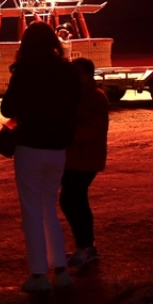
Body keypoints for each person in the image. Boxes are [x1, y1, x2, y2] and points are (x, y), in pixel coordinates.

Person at [0, 22, 82, 292]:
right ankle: (60, 269)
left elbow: (7, 107)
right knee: (49, 206)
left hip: (31, 145)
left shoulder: (25, 71)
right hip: (58, 147)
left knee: (31, 210)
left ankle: (38, 274)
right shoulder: (67, 71)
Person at [60, 58, 108, 268]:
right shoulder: (79, 95)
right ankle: (85, 246)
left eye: (78, 73)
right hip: (77, 157)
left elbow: (92, 130)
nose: (74, 77)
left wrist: (65, 134)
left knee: (72, 200)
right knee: (74, 200)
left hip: (85, 158)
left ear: (88, 74)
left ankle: (86, 247)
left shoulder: (95, 97)